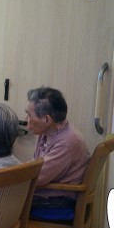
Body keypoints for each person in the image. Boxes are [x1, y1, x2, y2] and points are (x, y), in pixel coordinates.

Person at [25, 87, 90, 220]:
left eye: (29, 115)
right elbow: (34, 166)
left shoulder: (67, 142)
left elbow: (36, 176)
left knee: (4, 203)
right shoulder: (48, 132)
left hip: (60, 201)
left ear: (47, 120)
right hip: (50, 193)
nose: (26, 119)